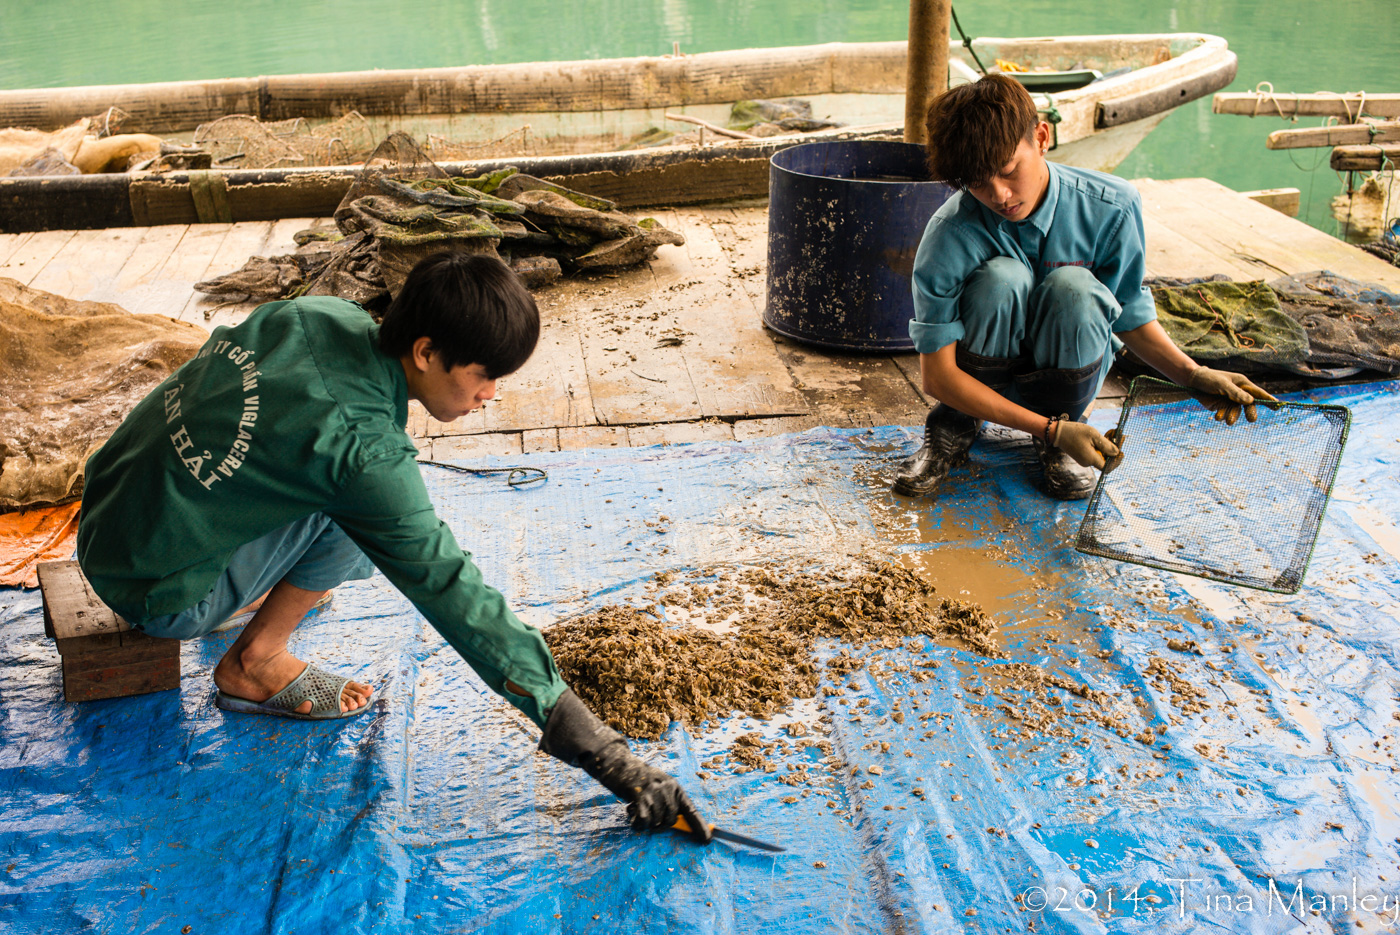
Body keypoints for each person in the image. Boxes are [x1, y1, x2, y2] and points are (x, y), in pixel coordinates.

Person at [76, 251, 709, 842]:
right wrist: (607, 757)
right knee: (358, 522)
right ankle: (254, 662)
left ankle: (241, 584)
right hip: (155, 587)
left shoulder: (321, 314)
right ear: (427, 351)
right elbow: (451, 592)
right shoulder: (363, 453)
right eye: (483, 376)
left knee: (341, 483)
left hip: (107, 510)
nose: (490, 396)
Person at [894, 74, 1274, 500]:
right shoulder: (949, 232)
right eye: (978, 184)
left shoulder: (1114, 207)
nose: (999, 195)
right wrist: (1051, 430)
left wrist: (1193, 374)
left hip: (1065, 389)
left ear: (1041, 137)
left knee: (1074, 286)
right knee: (1001, 279)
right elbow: (939, 376)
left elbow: (1127, 313)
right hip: (976, 386)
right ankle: (956, 426)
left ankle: (1062, 438)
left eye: (1007, 171)